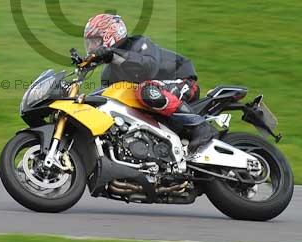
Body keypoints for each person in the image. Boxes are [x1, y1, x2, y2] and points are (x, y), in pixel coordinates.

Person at [83, 13, 217, 153]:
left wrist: (113, 54)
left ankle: (201, 128)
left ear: (110, 35)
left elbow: (147, 68)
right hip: (156, 98)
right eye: (89, 43)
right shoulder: (109, 71)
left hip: (183, 81)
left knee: (146, 91)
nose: (91, 47)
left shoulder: (139, 44)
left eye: (94, 41)